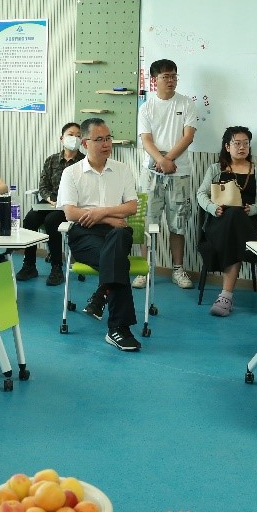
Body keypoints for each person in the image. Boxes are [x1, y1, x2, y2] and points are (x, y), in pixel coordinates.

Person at [58, 118, 142, 353]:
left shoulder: (122, 169)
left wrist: (101, 212)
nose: (106, 144)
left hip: (117, 232)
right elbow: (70, 212)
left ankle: (103, 296)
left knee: (119, 240)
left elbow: (132, 206)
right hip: (84, 233)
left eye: (108, 138)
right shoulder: (71, 173)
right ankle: (118, 328)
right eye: (99, 139)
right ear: (85, 143)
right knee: (116, 261)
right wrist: (107, 218)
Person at [196, 126, 257, 317]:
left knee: (237, 217)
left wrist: (253, 209)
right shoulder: (215, 169)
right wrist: (213, 208)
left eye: (246, 144)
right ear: (227, 146)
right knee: (233, 214)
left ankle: (226, 296)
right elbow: (201, 194)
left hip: (247, 222)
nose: (242, 147)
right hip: (219, 223)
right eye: (237, 143)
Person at [136, 59, 197, 290]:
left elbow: (188, 136)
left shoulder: (186, 103)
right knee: (147, 222)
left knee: (178, 224)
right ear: (155, 80)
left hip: (179, 173)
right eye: (165, 77)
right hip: (151, 173)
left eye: (174, 76)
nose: (171, 80)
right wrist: (161, 161)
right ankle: (144, 269)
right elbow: (146, 140)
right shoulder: (146, 107)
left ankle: (178, 270)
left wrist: (168, 159)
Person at [15, 123, 84, 286]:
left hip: (70, 205)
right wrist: (50, 199)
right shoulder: (52, 160)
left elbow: (85, 189)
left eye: (78, 135)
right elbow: (43, 186)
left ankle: (56, 267)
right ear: (62, 138)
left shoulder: (84, 162)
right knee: (30, 219)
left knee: (51, 221)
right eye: (71, 134)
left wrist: (64, 202)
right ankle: (29, 265)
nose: (74, 138)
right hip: (50, 201)